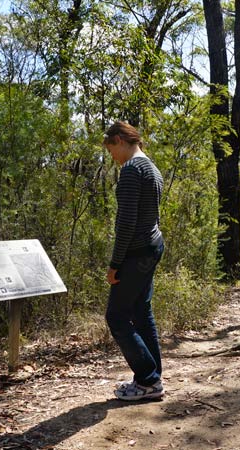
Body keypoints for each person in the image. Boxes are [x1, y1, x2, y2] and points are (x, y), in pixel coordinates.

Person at [102, 121, 165, 401]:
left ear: (119, 139)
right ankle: (151, 380)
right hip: (152, 246)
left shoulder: (131, 170)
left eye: (111, 149)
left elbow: (125, 223)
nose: (112, 156)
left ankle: (148, 380)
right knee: (141, 312)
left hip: (137, 252)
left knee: (116, 316)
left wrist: (115, 264)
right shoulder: (152, 168)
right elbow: (152, 216)